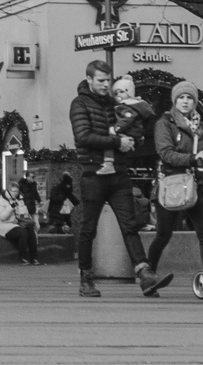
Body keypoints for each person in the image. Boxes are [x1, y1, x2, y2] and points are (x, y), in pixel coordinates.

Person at [70, 60, 169, 297]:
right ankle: (86, 278)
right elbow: (83, 137)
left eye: (108, 80)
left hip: (119, 174)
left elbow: (128, 131)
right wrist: (117, 142)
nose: (106, 85)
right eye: (101, 80)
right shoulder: (79, 103)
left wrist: (135, 141)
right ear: (90, 79)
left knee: (130, 226)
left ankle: (145, 274)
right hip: (93, 174)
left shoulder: (116, 104)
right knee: (88, 229)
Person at [145, 81, 203, 297]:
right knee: (163, 234)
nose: (185, 101)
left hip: (196, 188)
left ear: (195, 102)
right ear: (175, 101)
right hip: (173, 185)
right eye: (181, 98)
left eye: (189, 98)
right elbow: (166, 153)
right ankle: (148, 276)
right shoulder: (165, 123)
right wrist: (192, 158)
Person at [0, 188, 41, 264]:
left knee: (30, 230)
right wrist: (11, 207)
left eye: (17, 191)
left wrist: (23, 217)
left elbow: (24, 213)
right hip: (5, 226)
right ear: (8, 191)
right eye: (13, 191)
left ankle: (34, 258)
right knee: (23, 232)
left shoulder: (19, 200)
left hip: (16, 224)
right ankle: (23, 258)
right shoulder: (2, 201)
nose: (15, 193)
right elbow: (2, 217)